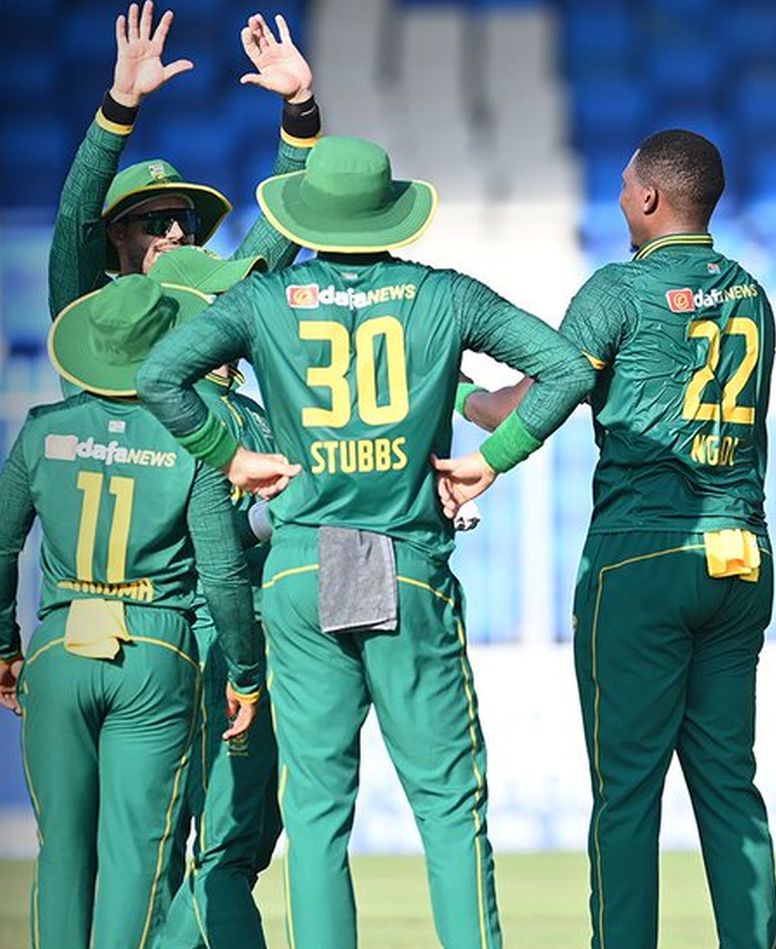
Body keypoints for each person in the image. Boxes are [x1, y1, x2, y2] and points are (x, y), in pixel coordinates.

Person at [136, 134, 594, 948]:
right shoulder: (444, 295)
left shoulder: (265, 299)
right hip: (403, 559)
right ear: (391, 214)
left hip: (304, 564)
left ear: (309, 215)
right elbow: (565, 368)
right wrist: (492, 459)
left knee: (315, 812)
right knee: (449, 807)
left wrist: (229, 456)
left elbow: (157, 376)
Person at [465, 128, 776, 947]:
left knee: (628, 793)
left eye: (623, 184)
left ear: (649, 198)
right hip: (741, 554)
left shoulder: (618, 291)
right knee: (730, 788)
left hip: (642, 555)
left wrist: (459, 399)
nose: (615, 197)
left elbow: (533, 400)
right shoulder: (752, 293)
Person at [0, 275, 261, 948]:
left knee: (60, 850)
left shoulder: (41, 430)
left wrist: (5, 645)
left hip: (59, 644)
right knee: (135, 860)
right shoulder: (193, 441)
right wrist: (244, 672)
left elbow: (1, 548)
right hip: (155, 648)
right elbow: (223, 569)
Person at [143, 247, 282, 949]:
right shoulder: (180, 411)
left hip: (262, 637)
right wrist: (272, 514)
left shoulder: (254, 407)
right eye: (228, 297)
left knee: (253, 834)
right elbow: (209, 536)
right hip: (211, 642)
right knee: (224, 847)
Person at [48, 2, 321, 322]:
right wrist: (120, 105)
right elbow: (76, 216)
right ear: (117, 233)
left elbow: (284, 215)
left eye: (186, 219)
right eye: (157, 222)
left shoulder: (220, 309)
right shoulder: (87, 312)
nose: (177, 232)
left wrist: (300, 104)